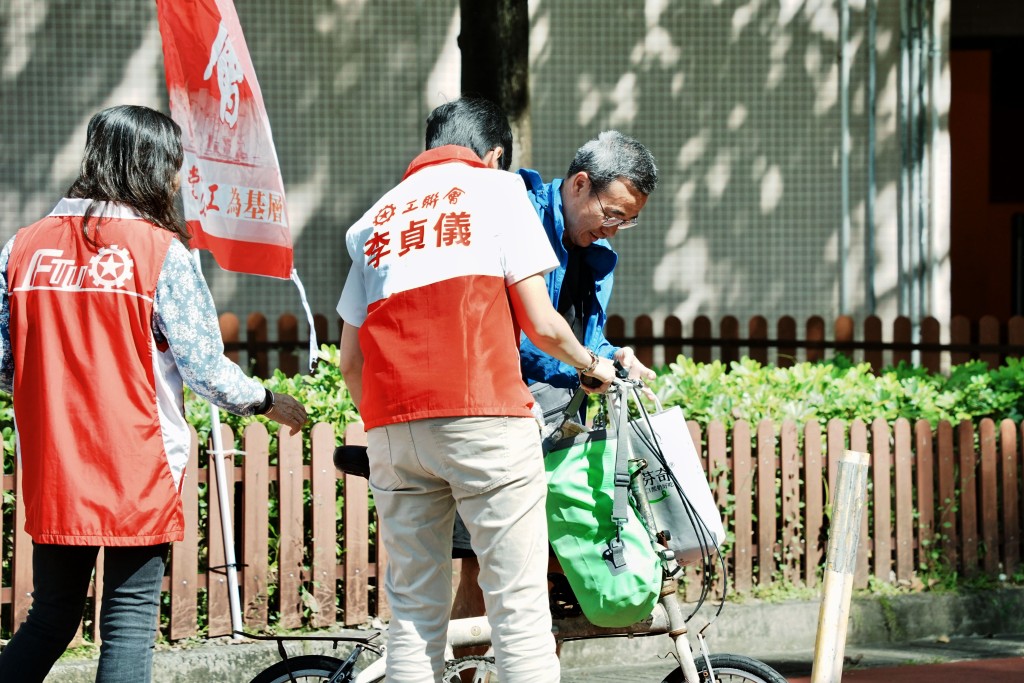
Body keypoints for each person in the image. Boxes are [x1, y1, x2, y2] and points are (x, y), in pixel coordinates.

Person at [0, 104, 308, 683]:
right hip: (136, 463)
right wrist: (266, 401)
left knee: (50, 618)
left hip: (55, 465)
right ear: (148, 165)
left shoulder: (22, 247)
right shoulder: (160, 252)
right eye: (173, 165)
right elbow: (204, 368)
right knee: (129, 624)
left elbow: (3, 362)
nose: (177, 179)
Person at [337, 96, 615, 682]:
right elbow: (541, 325)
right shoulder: (500, 192)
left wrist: (388, 427)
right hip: (484, 416)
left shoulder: (374, 219)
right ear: (493, 155)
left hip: (393, 430)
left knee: (413, 614)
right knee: (518, 609)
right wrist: (595, 364)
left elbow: (350, 361)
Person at [451, 130, 660, 641]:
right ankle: (459, 676)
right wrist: (585, 366)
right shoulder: (518, 217)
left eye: (627, 221)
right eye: (612, 214)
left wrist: (614, 356)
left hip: (558, 433)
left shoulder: (594, 250)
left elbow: (583, 338)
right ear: (580, 184)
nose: (614, 230)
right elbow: (510, 335)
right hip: (497, 421)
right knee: (482, 569)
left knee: (548, 569)